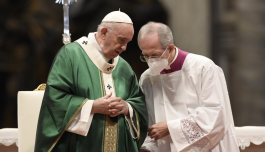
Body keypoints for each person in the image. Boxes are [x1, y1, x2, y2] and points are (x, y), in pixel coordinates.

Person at [34, 11, 148, 152]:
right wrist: (92, 106)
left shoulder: (124, 67)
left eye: (127, 43)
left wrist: (127, 108)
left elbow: (138, 103)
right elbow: (55, 100)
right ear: (104, 32)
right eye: (121, 40)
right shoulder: (71, 55)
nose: (124, 48)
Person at [138, 22, 239, 152]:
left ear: (170, 48)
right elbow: (150, 122)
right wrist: (148, 147)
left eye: (155, 55)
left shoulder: (203, 67)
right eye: (146, 56)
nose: (151, 61)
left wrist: (170, 128)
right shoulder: (147, 78)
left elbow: (215, 114)